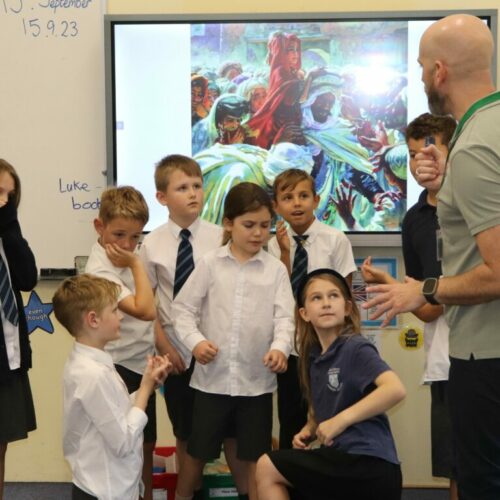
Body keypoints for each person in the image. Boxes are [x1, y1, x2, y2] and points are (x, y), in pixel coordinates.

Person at [364, 14, 500, 500]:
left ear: (439, 71)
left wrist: (420, 288)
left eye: (422, 67)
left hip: (485, 356)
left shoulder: (476, 143)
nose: (421, 76)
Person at [172, 182, 295, 500]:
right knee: (196, 455)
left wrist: (280, 348)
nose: (257, 233)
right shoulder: (210, 264)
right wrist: (196, 342)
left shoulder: (276, 271)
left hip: (256, 385)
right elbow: (182, 310)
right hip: (211, 383)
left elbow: (285, 318)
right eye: (249, 225)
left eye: (265, 226)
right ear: (229, 223)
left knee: (254, 458)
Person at [139, 155, 247, 499]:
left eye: (197, 186)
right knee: (187, 433)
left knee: (231, 431)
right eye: (182, 188)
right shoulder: (151, 244)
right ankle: (192, 492)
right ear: (162, 197)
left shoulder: (221, 237)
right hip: (177, 355)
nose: (193, 194)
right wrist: (165, 348)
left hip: (216, 352)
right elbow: (149, 306)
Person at [361, 112, 457, 500]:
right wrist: (393, 288)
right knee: (457, 463)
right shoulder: (414, 219)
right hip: (445, 359)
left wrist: (427, 296)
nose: (421, 162)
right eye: (414, 153)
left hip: (484, 350)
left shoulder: (475, 203)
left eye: (431, 151)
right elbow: (425, 299)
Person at [255, 269, 405, 500]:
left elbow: (394, 389)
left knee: (267, 466)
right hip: (340, 460)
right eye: (317, 298)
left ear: (347, 308)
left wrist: (340, 421)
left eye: (333, 296)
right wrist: (308, 430)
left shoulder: (355, 347)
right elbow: (322, 408)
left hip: (368, 462)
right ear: (304, 313)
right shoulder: (314, 359)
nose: (326, 303)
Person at [52, 274, 171, 500]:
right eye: (115, 310)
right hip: (105, 490)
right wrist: (144, 390)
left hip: (112, 486)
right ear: (93, 320)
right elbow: (123, 442)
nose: (122, 317)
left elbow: (116, 409)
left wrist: (150, 383)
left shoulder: (95, 363)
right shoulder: (92, 374)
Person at [267, 168, 357, 450]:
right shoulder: (270, 245)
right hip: (292, 347)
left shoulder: (335, 239)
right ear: (276, 206)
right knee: (292, 420)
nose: (297, 203)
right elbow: (280, 294)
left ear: (316, 200)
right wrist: (283, 253)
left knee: (332, 416)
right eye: (288, 197)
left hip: (327, 346)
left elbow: (345, 295)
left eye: (304, 196)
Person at [85, 186, 158, 500]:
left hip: (142, 362)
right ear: (99, 227)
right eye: (119, 235)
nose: (128, 245)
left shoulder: (128, 254)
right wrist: (136, 264)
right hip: (117, 366)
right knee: (124, 449)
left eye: (136, 237)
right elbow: (145, 310)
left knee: (146, 444)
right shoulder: (100, 270)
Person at [0, 159, 37, 500]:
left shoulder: (7, 234)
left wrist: (9, 226)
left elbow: (27, 279)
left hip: (7, 354)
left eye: (10, 197)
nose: (4, 202)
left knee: (1, 443)